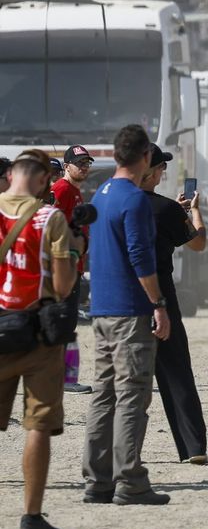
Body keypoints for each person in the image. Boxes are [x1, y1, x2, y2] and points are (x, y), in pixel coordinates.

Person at [83, 124, 172, 507]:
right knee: (132, 395)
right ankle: (130, 480)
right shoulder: (135, 199)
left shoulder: (101, 193)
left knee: (103, 396)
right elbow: (140, 257)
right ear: (145, 158)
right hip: (129, 311)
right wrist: (159, 303)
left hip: (102, 309)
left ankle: (97, 479)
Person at [2, 149, 78, 529]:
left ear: (11, 172)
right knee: (37, 424)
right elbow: (64, 287)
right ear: (46, 181)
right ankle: (31, 518)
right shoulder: (51, 218)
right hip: (35, 335)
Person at [138, 145, 208, 465]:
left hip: (122, 301)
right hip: (161, 296)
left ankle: (119, 452)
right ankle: (193, 448)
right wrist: (192, 211)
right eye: (161, 168)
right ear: (150, 172)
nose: (164, 173)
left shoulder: (111, 201)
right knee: (176, 374)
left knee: (126, 382)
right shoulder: (166, 210)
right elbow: (198, 243)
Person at [53, 145, 94, 395]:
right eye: (79, 163)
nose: (84, 167)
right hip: (64, 268)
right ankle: (64, 379)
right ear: (66, 166)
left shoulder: (73, 191)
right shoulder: (62, 189)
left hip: (73, 267)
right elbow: (49, 224)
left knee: (67, 324)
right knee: (64, 323)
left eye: (87, 163)